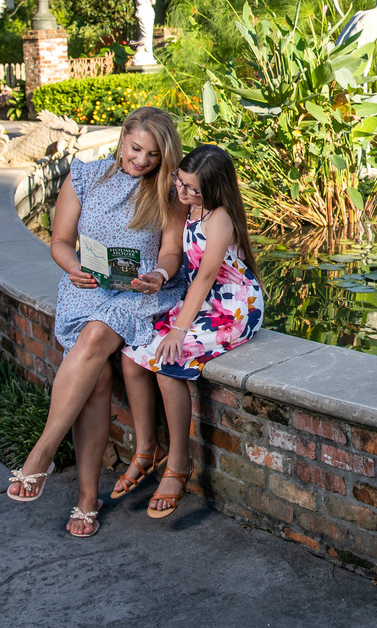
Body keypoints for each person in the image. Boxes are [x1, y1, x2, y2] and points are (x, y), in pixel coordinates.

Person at [5, 107, 190, 539]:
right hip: (88, 288)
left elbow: (171, 254)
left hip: (141, 294)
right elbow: (60, 241)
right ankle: (86, 499)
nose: (142, 160)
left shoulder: (166, 190)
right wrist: (73, 268)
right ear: (123, 138)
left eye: (153, 154)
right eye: (136, 148)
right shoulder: (85, 176)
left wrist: (159, 276)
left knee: (93, 338)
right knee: (97, 383)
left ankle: (42, 454)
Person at [122, 143, 264, 519]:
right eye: (180, 183)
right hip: (199, 300)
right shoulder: (189, 203)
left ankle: (180, 465)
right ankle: (146, 447)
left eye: (191, 190)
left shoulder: (220, 218)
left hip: (231, 306)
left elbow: (204, 277)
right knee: (132, 355)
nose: (181, 194)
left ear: (214, 190)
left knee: (169, 364)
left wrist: (179, 331)